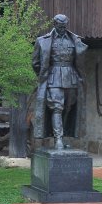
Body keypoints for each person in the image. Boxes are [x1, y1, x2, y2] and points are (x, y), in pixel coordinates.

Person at [32, 14, 87, 150]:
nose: (63, 29)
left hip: (71, 78)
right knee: (57, 107)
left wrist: (79, 77)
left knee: (68, 108)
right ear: (54, 25)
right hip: (53, 78)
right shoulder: (42, 41)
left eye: (64, 26)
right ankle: (58, 139)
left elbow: (79, 61)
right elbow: (36, 63)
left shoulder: (75, 40)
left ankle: (62, 136)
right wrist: (45, 75)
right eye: (60, 26)